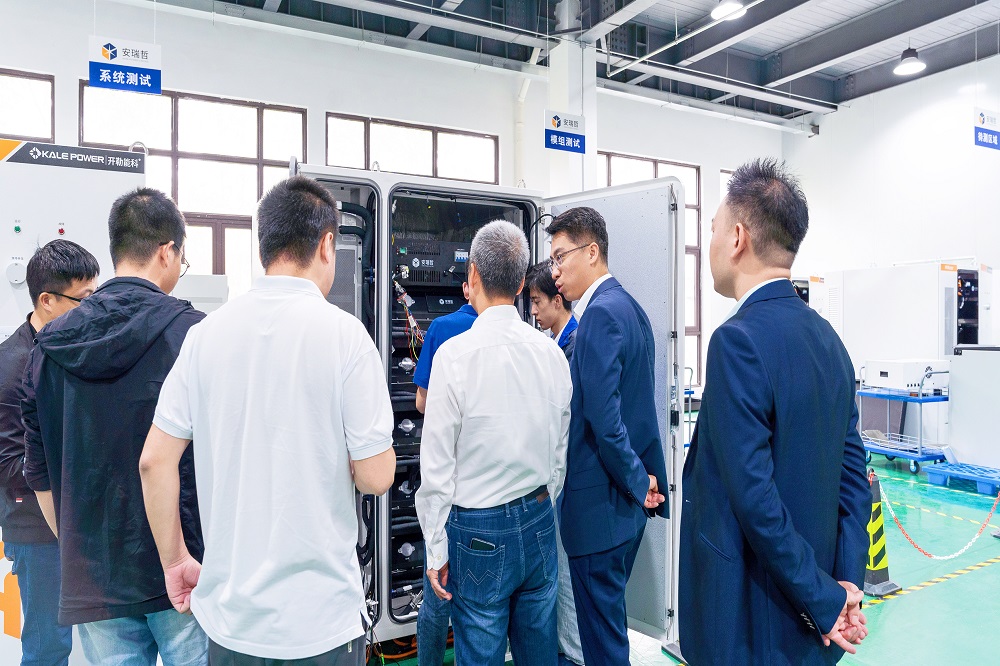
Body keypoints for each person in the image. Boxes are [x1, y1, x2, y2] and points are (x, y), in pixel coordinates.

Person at [140, 176, 396, 665]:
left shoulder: (205, 335)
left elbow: (154, 461)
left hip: (232, 623)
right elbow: (376, 476)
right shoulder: (347, 338)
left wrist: (175, 561)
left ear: (264, 246)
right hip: (321, 622)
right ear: (327, 245)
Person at [679, 158, 870, 665]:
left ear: (737, 237)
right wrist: (845, 585)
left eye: (714, 228)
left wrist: (826, 600)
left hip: (749, 619)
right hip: (812, 621)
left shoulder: (736, 342)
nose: (711, 241)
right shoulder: (830, 341)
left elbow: (755, 497)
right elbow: (854, 480)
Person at [22, 188, 207, 665]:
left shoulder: (47, 347)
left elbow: (40, 474)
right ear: (167, 251)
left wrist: (81, 548)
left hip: (94, 578)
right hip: (185, 566)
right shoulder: (195, 335)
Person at [416, 221, 572, 666]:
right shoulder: (551, 353)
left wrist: (436, 548)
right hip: (539, 518)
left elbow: (436, 467)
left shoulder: (454, 357)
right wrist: (541, 502)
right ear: (522, 283)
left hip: (477, 530)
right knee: (539, 654)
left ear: (474, 275)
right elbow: (559, 451)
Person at [547, 207, 667, 666]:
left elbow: (605, 420)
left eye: (561, 257)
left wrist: (637, 481)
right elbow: (639, 411)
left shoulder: (598, 315)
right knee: (608, 634)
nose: (555, 271)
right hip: (625, 508)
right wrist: (643, 482)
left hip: (600, 511)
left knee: (602, 647)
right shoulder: (631, 308)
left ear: (592, 251)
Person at [0, 240, 98, 666]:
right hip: (37, 528)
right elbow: (9, 465)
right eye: (84, 299)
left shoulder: (75, 346)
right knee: (48, 646)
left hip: (76, 518)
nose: (93, 309)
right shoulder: (11, 364)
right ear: (47, 300)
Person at [411, 282, 476, 666]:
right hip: (492, 493)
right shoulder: (517, 333)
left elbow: (422, 402)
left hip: (448, 479)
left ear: (469, 286)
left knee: (437, 590)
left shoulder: (442, 328)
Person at [527, 261, 577, 361]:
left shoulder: (575, 344)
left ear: (557, 301)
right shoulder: (556, 339)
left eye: (537, 302)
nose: (533, 311)